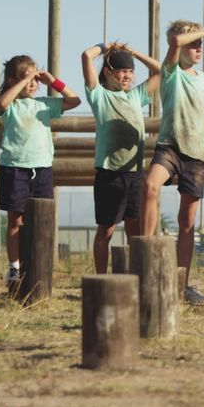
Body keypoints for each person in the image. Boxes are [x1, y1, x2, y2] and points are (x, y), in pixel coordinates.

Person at [140, 20, 204, 304]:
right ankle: (145, 255)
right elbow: (176, 42)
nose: (198, 48)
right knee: (150, 186)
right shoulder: (171, 72)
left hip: (197, 152)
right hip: (170, 146)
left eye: (200, 44)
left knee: (187, 222)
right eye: (194, 44)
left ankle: (184, 284)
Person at [0, 55, 81, 284]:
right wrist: (23, 82)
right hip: (14, 168)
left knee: (42, 220)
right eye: (27, 78)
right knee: (16, 220)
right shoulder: (12, 104)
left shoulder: (45, 103)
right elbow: (0, 105)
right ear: (13, 80)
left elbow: (74, 101)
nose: (33, 83)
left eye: (35, 79)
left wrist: (52, 81)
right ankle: (14, 268)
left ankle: (38, 266)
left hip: (42, 168)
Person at [82, 42, 162, 274]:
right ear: (108, 72)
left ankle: (134, 275)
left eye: (130, 72)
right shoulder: (99, 95)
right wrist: (106, 47)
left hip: (135, 172)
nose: (127, 76)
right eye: (122, 71)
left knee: (134, 229)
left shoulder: (137, 96)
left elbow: (162, 71)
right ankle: (101, 277)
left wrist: (134, 53)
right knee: (106, 230)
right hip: (109, 174)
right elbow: (87, 56)